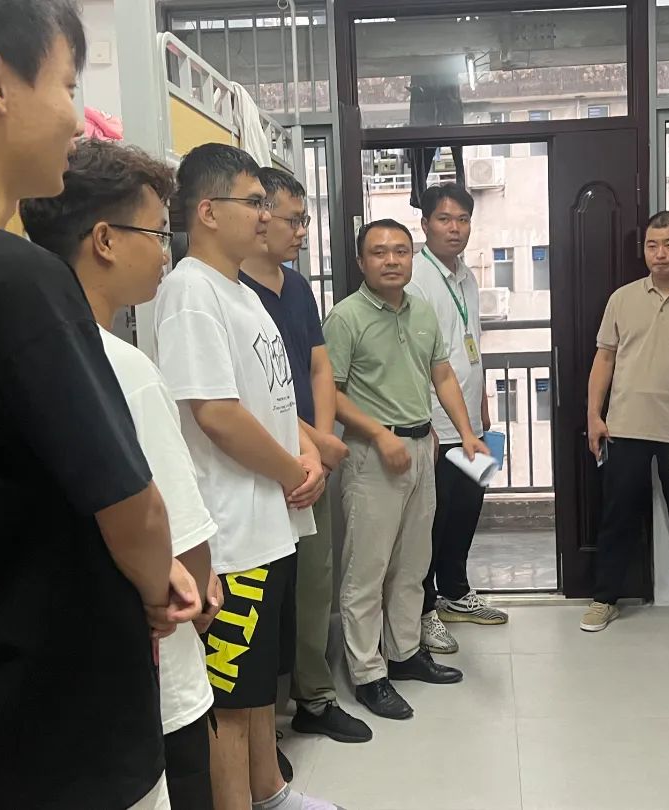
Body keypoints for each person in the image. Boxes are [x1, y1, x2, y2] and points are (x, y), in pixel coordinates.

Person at [0, 2, 199, 807]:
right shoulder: (16, 283)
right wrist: (158, 582)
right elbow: (133, 509)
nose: (76, 121)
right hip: (62, 737)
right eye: (66, 84)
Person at [21, 139, 224, 810]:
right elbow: (180, 543)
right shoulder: (122, 369)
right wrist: (200, 596)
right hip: (156, 685)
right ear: (105, 240)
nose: (166, 252)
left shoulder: (22, 351)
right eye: (157, 233)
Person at [155, 143, 343, 810]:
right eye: (255, 202)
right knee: (230, 703)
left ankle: (271, 793)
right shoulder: (189, 291)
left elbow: (274, 400)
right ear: (208, 211)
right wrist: (294, 468)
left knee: (258, 687)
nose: (267, 215)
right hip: (231, 535)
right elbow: (216, 414)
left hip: (270, 523)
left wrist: (308, 455)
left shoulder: (239, 290)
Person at [324, 219, 489, 720]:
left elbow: (442, 373)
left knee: (413, 566)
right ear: (361, 262)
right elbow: (329, 393)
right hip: (372, 455)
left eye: (400, 251)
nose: (392, 260)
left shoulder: (420, 310)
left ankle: (405, 653)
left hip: (422, 449)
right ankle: (367, 674)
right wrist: (378, 434)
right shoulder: (345, 317)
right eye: (379, 252)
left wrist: (466, 432)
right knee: (366, 571)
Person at [239, 167, 372, 745]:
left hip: (308, 461)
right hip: (258, 462)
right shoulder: (230, 292)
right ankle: (258, 723)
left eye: (305, 220)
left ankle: (314, 697)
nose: (301, 232)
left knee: (315, 583)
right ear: (259, 215)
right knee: (265, 592)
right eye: (294, 220)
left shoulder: (296, 287)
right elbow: (242, 396)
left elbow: (319, 364)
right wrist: (311, 447)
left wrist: (318, 440)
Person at [581, 211, 669, 640]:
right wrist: (594, 415)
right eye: (652, 245)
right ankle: (604, 599)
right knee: (616, 517)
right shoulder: (622, 298)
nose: (660, 253)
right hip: (625, 427)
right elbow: (604, 358)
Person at [406, 183, 507, 657]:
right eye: (445, 219)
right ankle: (424, 609)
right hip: (434, 427)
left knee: (466, 510)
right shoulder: (416, 278)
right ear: (425, 224)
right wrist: (424, 424)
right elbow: (414, 359)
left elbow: (472, 346)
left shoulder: (465, 276)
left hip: (469, 427)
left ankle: (456, 592)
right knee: (433, 521)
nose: (455, 228)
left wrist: (481, 410)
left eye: (463, 219)